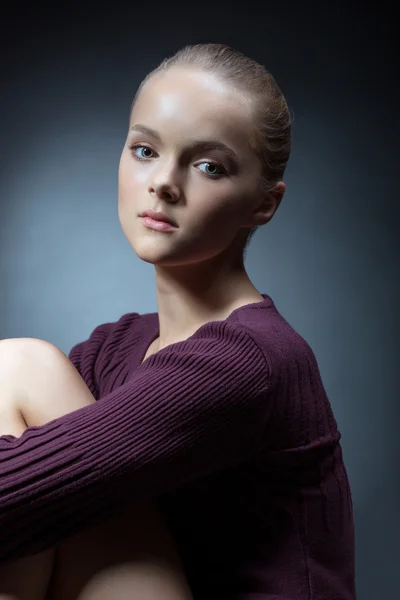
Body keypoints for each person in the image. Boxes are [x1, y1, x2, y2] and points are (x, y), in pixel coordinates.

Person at [0, 42, 356, 599]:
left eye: (209, 166)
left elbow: (12, 493)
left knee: (17, 367)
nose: (164, 182)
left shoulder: (250, 361)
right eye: (145, 150)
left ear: (264, 204)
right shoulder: (113, 349)